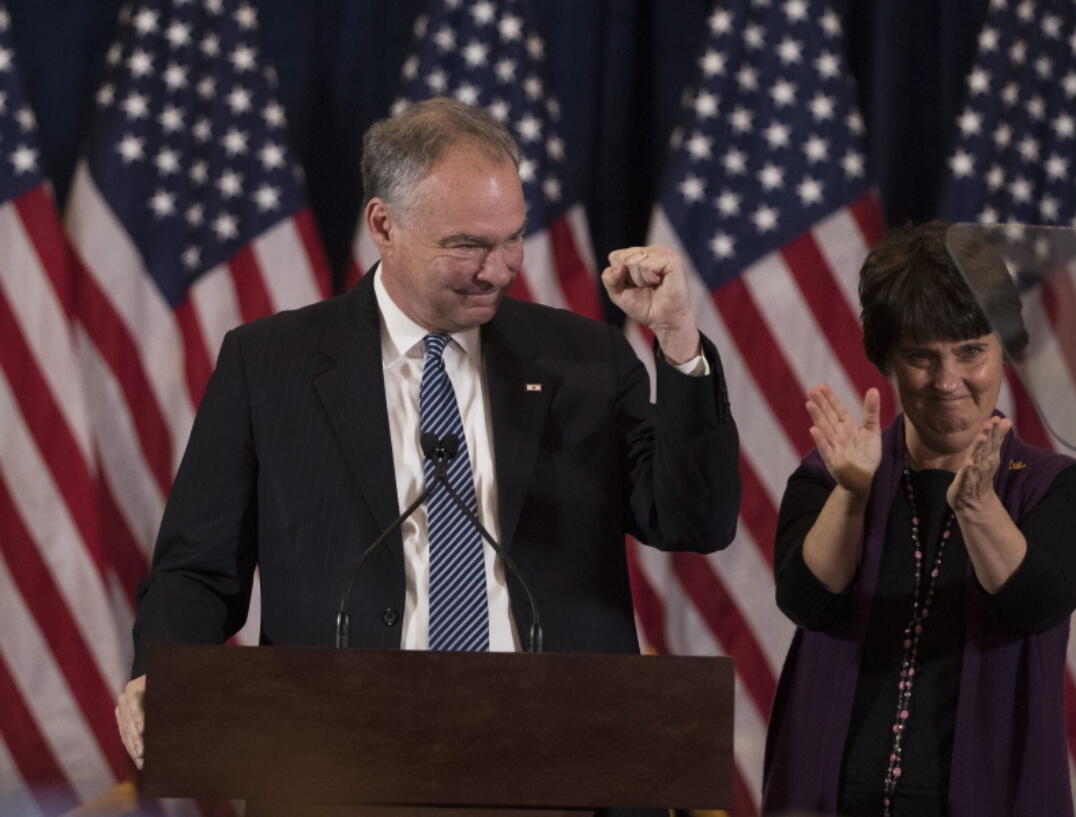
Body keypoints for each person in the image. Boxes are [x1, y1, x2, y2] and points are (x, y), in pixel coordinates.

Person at [114, 98, 740, 774]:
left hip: (559, 759)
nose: (499, 268)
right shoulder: (270, 364)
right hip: (341, 764)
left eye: (512, 238)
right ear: (385, 224)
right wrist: (163, 673)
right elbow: (197, 569)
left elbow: (691, 520)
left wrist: (678, 343)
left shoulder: (584, 358)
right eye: (467, 245)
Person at [761, 222, 1076, 817]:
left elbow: (1032, 604)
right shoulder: (832, 474)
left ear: (1004, 345)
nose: (948, 383)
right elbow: (806, 601)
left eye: (971, 351)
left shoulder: (1057, 488)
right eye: (922, 357)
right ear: (887, 360)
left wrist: (976, 504)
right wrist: (851, 493)